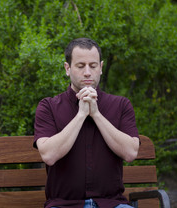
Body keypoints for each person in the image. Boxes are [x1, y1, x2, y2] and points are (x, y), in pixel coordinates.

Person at [33, 38, 140, 208]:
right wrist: (81, 114)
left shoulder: (121, 105)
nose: (88, 72)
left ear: (101, 68)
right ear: (67, 69)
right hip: (64, 205)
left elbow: (130, 153)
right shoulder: (49, 107)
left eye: (93, 65)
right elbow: (49, 155)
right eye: (80, 66)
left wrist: (96, 114)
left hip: (112, 204)